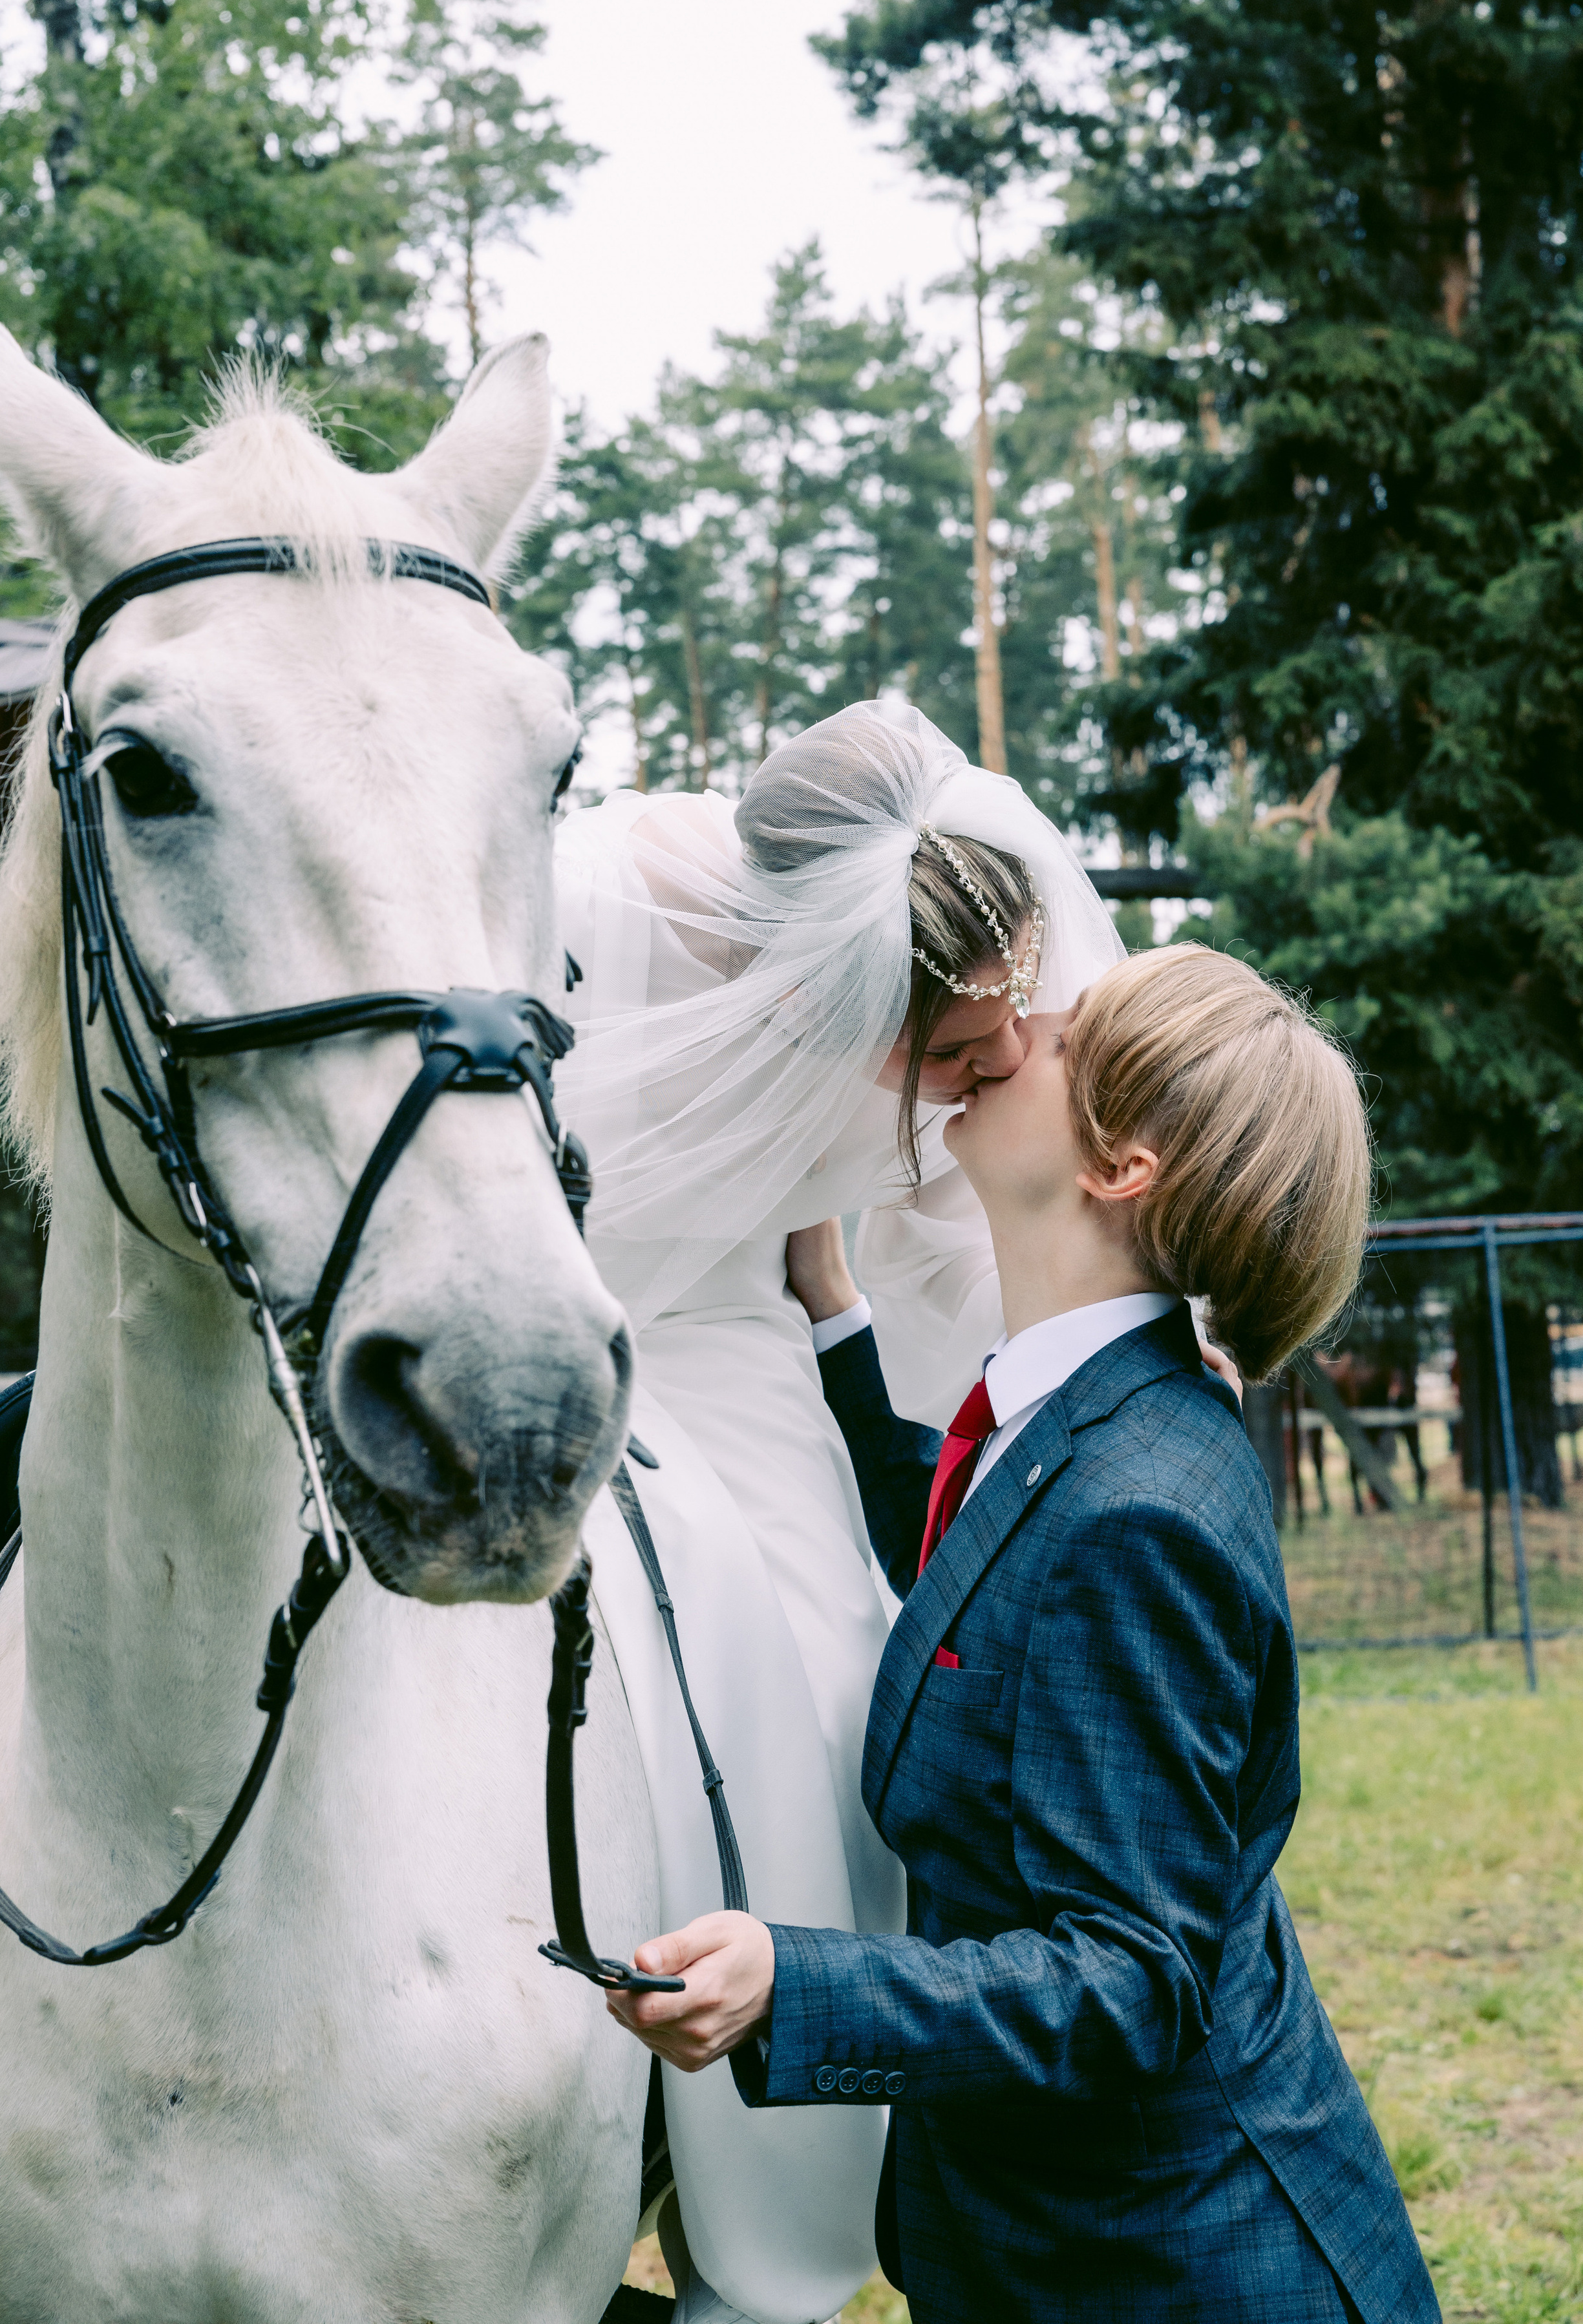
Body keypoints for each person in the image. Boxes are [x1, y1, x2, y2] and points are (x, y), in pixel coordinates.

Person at [605, 944, 1441, 2324]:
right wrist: (829, 1313)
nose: (1010, 1032)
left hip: (1174, 2271)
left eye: (1060, 1037)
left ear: (1118, 1166)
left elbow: (1127, 1981)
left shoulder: (1137, 1515)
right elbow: (975, 1585)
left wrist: (788, 1984)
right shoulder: (1085, 1420)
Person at [552, 699, 1125, 2324]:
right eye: (947, 1061)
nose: (982, 1082)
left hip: (732, 1347)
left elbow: (950, 1245)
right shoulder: (591, 894)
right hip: (545, 1322)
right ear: (833, 990)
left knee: (831, 1700)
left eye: (997, 1044)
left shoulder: (967, 1015)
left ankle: (775, 2235)